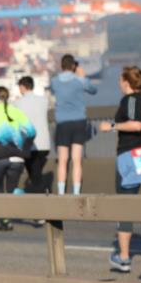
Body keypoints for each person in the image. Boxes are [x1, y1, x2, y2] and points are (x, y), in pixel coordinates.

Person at [98, 67, 141, 273]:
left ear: (127, 82)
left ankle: (124, 258)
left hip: (131, 157)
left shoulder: (131, 100)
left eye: (120, 79)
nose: (119, 84)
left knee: (125, 207)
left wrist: (111, 126)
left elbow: (136, 124)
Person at [0, 86, 36, 231]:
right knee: (12, 190)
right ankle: (32, 206)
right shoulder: (17, 112)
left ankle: (5, 221)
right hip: (17, 158)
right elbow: (31, 131)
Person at [50, 54, 97, 195]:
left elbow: (54, 91)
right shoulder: (79, 81)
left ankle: (61, 192)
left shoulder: (54, 81)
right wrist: (83, 77)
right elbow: (93, 90)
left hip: (62, 123)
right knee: (77, 160)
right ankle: (76, 192)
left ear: (61, 66)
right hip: (79, 122)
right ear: (73, 66)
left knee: (62, 160)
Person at [14, 76, 52, 196]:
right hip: (45, 144)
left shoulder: (17, 103)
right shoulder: (44, 100)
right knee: (35, 172)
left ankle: (40, 196)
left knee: (34, 174)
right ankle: (40, 192)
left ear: (22, 87)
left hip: (30, 145)